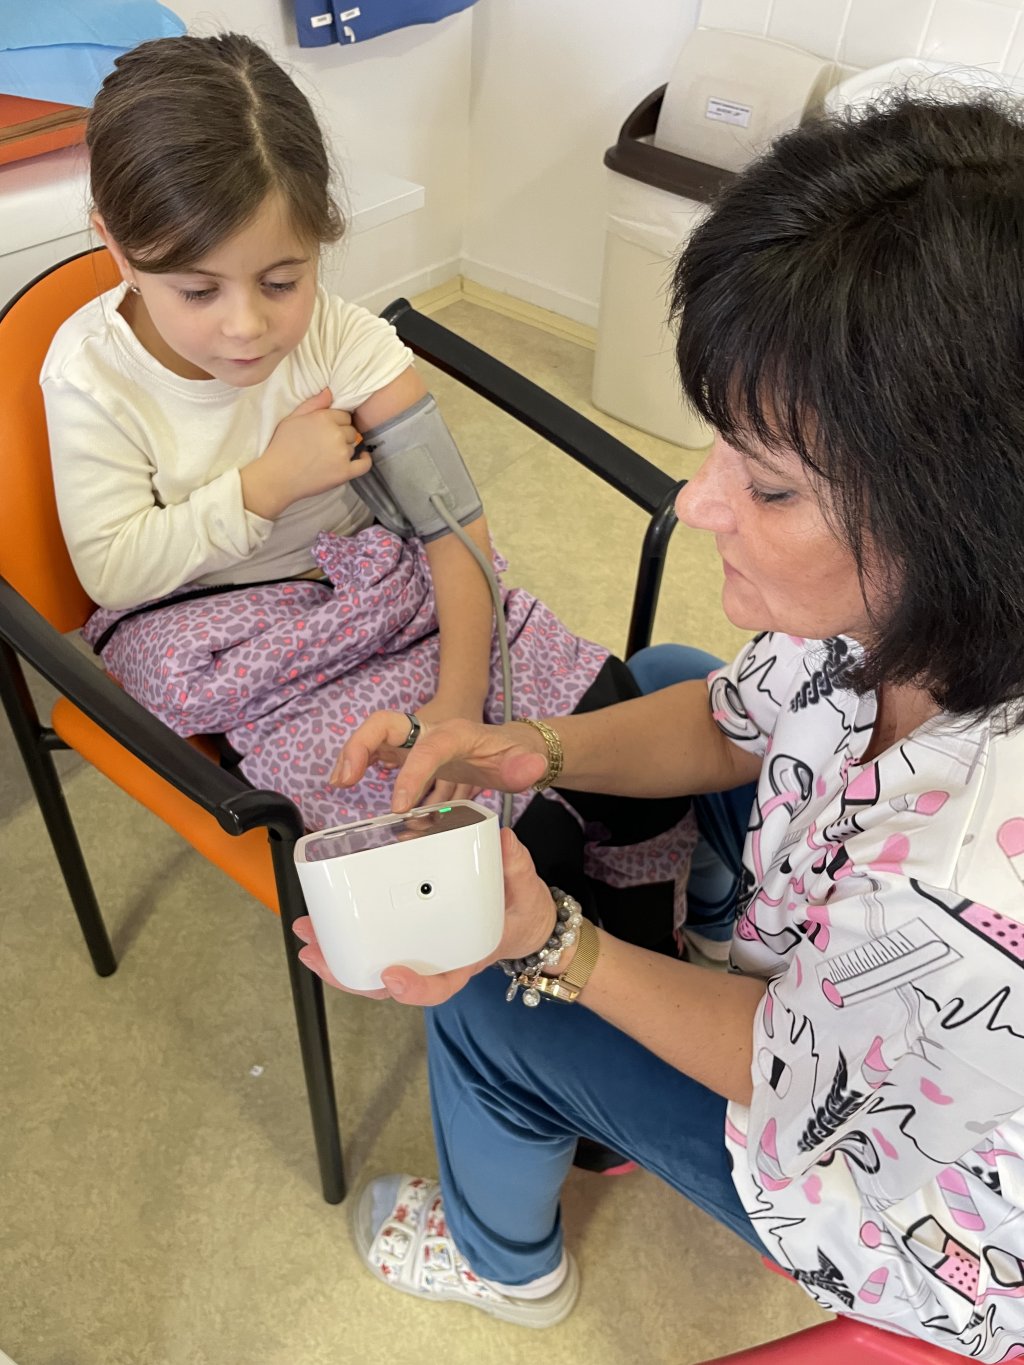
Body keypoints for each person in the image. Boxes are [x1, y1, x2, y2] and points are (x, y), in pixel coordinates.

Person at [295, 94, 1024, 1360]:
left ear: (959, 516)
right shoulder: (899, 617)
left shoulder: (963, 890)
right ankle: (712, 934)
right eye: (721, 447)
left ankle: (503, 1265)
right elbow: (736, 714)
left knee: (487, 1007)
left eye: (770, 486)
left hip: (904, 1201)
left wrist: (551, 942)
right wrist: (536, 748)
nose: (696, 501)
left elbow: (789, 1070)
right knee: (672, 673)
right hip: (854, 1002)